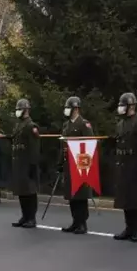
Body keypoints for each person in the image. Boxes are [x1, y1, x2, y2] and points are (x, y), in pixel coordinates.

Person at [113, 92, 137, 243]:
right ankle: (128, 228)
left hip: (135, 167)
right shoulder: (121, 123)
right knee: (126, 200)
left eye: (123, 105)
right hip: (124, 165)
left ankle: (136, 230)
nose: (121, 108)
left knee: (136, 200)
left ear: (131, 106)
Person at [59, 96, 94, 234]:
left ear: (76, 108)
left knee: (81, 195)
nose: (67, 110)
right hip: (69, 163)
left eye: (69, 108)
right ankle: (75, 221)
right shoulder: (66, 125)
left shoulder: (84, 124)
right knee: (72, 195)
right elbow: (62, 145)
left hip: (80, 164)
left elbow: (90, 144)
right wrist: (60, 162)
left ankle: (82, 223)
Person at [10, 99, 40, 228]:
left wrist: (33, 164)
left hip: (28, 162)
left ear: (26, 110)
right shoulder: (18, 124)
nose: (18, 112)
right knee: (21, 190)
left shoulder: (31, 126)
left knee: (30, 191)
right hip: (18, 161)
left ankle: (31, 218)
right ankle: (24, 216)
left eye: (20, 109)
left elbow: (34, 147)